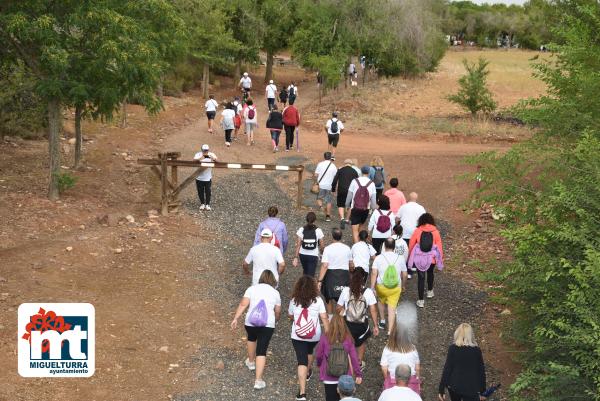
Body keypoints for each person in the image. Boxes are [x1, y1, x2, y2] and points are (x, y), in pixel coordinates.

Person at [231, 270, 281, 390]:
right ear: (272, 280)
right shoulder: (275, 293)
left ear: (261, 278)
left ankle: (251, 362)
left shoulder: (251, 289)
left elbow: (243, 304)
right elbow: (278, 311)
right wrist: (276, 320)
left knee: (251, 338)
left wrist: (236, 318)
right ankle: (258, 380)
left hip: (251, 321)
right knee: (262, 350)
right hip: (267, 324)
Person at [289, 276, 330, 401]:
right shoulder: (318, 300)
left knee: (301, 360)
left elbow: (290, 315)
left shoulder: (294, 300)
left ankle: (302, 393)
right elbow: (324, 318)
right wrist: (329, 335)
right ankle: (308, 370)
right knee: (310, 351)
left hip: (297, 335)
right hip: (314, 335)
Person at [337, 267, 379, 367]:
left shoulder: (346, 290)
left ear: (351, 277)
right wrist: (376, 325)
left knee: (346, 342)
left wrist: (345, 313)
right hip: (361, 324)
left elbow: (338, 307)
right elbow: (373, 310)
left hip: (347, 323)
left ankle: (345, 362)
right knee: (361, 342)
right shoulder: (368, 292)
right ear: (364, 278)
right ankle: (359, 363)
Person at [315, 314, 363, 401]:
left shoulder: (325, 337)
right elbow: (354, 358)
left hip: (328, 377)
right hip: (344, 377)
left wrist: (319, 364)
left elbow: (319, 355)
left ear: (331, 324)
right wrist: (358, 374)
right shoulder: (348, 339)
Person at [438, 323, 487, 401]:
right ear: (471, 335)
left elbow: (447, 369)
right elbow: (481, 372)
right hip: (471, 388)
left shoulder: (453, 348)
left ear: (457, 333)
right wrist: (483, 391)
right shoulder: (476, 350)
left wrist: (441, 389)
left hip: (454, 386)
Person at [371, 238, 407, 334]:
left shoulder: (378, 258)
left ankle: (382, 321)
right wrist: (403, 285)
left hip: (381, 287)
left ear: (384, 246)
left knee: (381, 301)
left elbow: (374, 273)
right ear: (394, 246)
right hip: (395, 288)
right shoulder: (400, 258)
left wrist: (372, 287)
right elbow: (404, 274)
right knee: (392, 308)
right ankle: (390, 331)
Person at [380, 307, 421, 394]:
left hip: (393, 380)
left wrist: (386, 378)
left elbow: (384, 368)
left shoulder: (388, 349)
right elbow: (417, 368)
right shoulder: (413, 349)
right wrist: (417, 379)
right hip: (410, 380)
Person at [408, 213, 444, 308]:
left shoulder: (417, 231)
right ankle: (430, 291)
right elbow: (439, 247)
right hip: (431, 257)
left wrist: (410, 255)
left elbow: (411, 243)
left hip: (420, 258)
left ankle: (420, 301)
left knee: (421, 277)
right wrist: (439, 258)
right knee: (431, 272)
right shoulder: (435, 232)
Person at [318, 228, 354, 315]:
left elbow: (325, 265)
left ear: (332, 237)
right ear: (341, 237)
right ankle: (343, 318)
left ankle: (330, 318)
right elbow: (351, 264)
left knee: (328, 297)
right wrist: (351, 273)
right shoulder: (347, 248)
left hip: (330, 275)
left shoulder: (328, 249)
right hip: (344, 275)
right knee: (344, 296)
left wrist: (319, 280)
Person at [345, 166, 377, 243]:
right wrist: (372, 209)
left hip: (355, 208)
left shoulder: (354, 181)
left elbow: (349, 195)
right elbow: (373, 200)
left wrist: (347, 205)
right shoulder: (371, 183)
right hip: (366, 209)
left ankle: (357, 247)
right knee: (361, 226)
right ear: (369, 172)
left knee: (355, 230)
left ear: (361, 172)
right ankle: (361, 243)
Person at [293, 212, 325, 277]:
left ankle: (303, 285)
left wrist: (296, 257)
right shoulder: (318, 231)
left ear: (306, 219)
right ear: (315, 220)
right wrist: (322, 254)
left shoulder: (301, 229)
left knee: (305, 270)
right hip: (313, 255)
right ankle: (308, 286)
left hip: (302, 254)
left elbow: (298, 245)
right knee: (311, 275)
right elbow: (322, 246)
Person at [332, 159, 359, 229]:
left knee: (341, 204)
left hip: (341, 189)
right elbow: (357, 183)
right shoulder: (354, 171)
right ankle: (347, 219)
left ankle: (342, 218)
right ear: (351, 164)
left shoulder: (340, 170)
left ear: (345, 163)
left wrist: (333, 189)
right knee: (350, 205)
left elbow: (335, 180)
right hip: (351, 191)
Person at [314, 152, 338, 222]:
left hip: (321, 185)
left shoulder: (320, 164)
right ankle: (328, 216)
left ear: (324, 157)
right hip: (329, 186)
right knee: (329, 201)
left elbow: (315, 175)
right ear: (330, 157)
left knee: (319, 198)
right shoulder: (333, 166)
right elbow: (335, 177)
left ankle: (321, 207)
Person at [193, 144, 217, 211]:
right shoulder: (198, 154)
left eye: (206, 150)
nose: (205, 151)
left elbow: (217, 161)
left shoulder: (211, 154)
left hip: (208, 177)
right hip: (199, 177)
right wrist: (202, 157)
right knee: (200, 191)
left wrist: (213, 158)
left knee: (208, 191)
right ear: (201, 149)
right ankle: (202, 203)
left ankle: (208, 204)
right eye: (204, 150)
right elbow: (193, 161)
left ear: (208, 150)